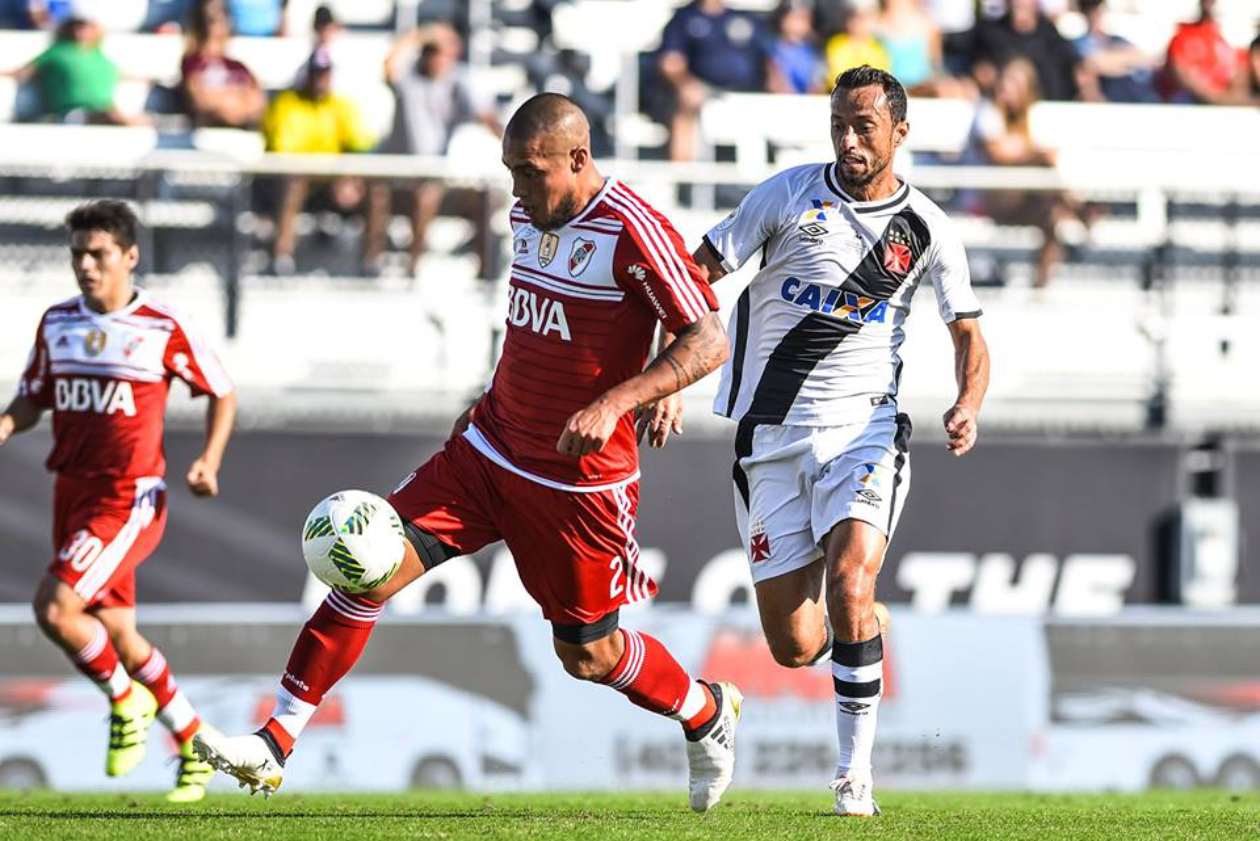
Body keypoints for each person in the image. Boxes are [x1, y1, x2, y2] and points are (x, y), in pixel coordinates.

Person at [194, 94, 742, 812]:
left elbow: (705, 336)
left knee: (588, 654)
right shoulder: (528, 213)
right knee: (370, 561)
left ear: (578, 159)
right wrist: (491, 398)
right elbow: (535, 323)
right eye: (511, 170)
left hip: (575, 484)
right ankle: (273, 743)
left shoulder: (632, 228)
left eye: (531, 171)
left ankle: (705, 711)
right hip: (486, 447)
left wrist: (625, 398)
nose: (518, 188)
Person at [692, 66, 989, 816]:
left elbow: (969, 334)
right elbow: (699, 273)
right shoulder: (787, 195)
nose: (850, 140)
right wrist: (664, 376)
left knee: (852, 582)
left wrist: (968, 403)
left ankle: (853, 776)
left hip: (864, 430)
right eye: (839, 125)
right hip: (771, 438)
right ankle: (862, 631)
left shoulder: (925, 228)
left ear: (899, 131)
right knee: (793, 645)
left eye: (864, 125)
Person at [0, 200, 237, 803]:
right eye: (78, 253)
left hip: (128, 499)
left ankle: (122, 701)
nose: (86, 265)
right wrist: (6, 422)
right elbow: (35, 398)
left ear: (129, 257)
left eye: (98, 253)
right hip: (71, 493)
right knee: (119, 636)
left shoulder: (160, 325)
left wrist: (208, 459)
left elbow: (221, 390)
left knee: (55, 610)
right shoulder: (58, 322)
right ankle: (196, 743)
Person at [367, 23, 502, 278]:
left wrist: (511, 144)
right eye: (430, 51)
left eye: (440, 51)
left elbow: (486, 116)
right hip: (398, 172)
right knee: (378, 190)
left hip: (433, 174)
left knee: (434, 194)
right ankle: (370, 264)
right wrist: (419, 35)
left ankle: (416, 269)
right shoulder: (408, 79)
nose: (435, 58)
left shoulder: (458, 83)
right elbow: (388, 65)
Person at [964, 57, 1081, 288]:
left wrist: (1029, 150)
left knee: (1054, 218)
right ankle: (1078, 207)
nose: (1007, 90)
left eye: (1015, 84)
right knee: (1042, 162)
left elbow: (1031, 151)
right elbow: (1000, 154)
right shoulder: (987, 112)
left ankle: (1040, 287)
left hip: (1021, 200)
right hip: (987, 198)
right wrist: (1035, 152)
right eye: (1005, 82)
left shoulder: (1030, 117)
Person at [261, 48, 377, 274]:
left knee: (376, 188)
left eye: (325, 74)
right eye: (316, 74)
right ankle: (281, 257)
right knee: (295, 183)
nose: (321, 80)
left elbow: (361, 144)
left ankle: (371, 261)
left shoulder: (341, 105)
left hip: (331, 183)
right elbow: (284, 152)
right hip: (290, 181)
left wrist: (348, 177)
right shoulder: (287, 104)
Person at [657, 0, 772, 161]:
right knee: (687, 101)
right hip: (703, 89)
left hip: (749, 91)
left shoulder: (743, 18)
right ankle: (683, 176)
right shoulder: (684, 18)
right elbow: (671, 62)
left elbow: (769, 57)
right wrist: (686, 83)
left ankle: (758, 179)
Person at [10, 17, 141, 124]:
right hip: (72, 111)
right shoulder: (57, 52)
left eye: (86, 28)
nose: (82, 32)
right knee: (106, 116)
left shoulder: (99, 56)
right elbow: (25, 71)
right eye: (78, 27)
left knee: (115, 114)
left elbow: (121, 74)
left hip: (103, 108)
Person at [970, 0, 1079, 101]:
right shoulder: (989, 33)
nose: (1019, 3)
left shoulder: (1051, 36)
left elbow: (1073, 73)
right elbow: (980, 71)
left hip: (1046, 107)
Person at [180, 4, 265, 128]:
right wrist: (235, 99)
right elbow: (200, 100)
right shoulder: (193, 64)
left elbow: (257, 102)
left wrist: (227, 100)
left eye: (224, 17)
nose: (220, 24)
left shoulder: (238, 66)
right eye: (212, 19)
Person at [1159, 0, 1245, 105]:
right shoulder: (1184, 36)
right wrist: (1212, 97)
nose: (1210, 5)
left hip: (1221, 100)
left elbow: (1240, 73)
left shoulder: (1228, 40)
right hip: (1190, 100)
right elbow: (1180, 72)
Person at [1072, 0, 1158, 103]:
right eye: (1092, 9)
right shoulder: (1078, 43)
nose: (1097, 14)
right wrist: (1124, 63)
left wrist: (1110, 63)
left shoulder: (1117, 40)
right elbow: (1091, 64)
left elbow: (1145, 58)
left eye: (1099, 9)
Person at [766, 0, 824, 95]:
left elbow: (818, 85)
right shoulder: (773, 49)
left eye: (804, 18)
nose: (798, 23)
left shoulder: (815, 51)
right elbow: (774, 83)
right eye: (794, 18)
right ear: (782, 20)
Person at [824, 1, 890, 83]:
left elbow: (882, 78)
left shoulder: (879, 47)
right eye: (855, 16)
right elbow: (836, 77)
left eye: (865, 17)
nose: (859, 22)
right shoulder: (836, 44)